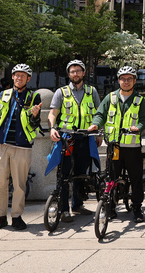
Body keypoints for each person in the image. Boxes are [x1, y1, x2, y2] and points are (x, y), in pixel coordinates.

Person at [0, 63, 42, 233]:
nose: (19, 78)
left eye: (23, 75)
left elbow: (34, 125)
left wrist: (34, 115)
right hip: (1, 144)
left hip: (22, 146)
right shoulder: (3, 94)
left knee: (19, 184)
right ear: (13, 77)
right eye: (17, 75)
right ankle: (0, 217)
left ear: (28, 79)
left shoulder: (34, 97)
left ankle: (17, 216)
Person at [88, 65, 145, 223]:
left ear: (134, 81)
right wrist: (96, 124)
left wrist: (139, 128)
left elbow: (143, 120)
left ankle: (137, 208)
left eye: (129, 79)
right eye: (123, 79)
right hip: (114, 146)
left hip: (132, 147)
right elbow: (100, 114)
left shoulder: (140, 100)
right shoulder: (110, 97)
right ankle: (111, 207)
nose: (126, 82)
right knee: (111, 177)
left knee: (136, 178)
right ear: (118, 80)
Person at [48, 59, 101, 222]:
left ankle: (77, 204)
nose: (75, 73)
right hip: (67, 137)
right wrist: (51, 128)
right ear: (68, 74)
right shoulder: (61, 92)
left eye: (78, 71)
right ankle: (64, 209)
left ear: (84, 73)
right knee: (64, 173)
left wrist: (98, 133)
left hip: (86, 137)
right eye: (72, 71)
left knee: (81, 172)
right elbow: (52, 113)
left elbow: (99, 114)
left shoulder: (92, 91)